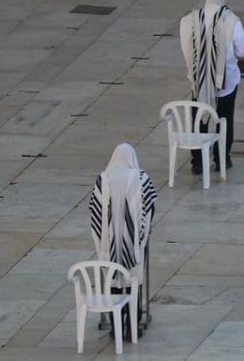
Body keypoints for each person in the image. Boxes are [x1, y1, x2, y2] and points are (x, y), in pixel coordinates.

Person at [89, 143, 157, 340]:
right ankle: (133, 327)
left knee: (113, 282)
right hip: (134, 241)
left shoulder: (103, 179)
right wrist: (147, 227)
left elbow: (94, 211)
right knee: (133, 281)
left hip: (108, 243)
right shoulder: (141, 178)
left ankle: (116, 327)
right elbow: (150, 205)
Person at [179, 0, 244, 173]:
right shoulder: (232, 19)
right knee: (225, 118)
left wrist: (196, 70)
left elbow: (186, 49)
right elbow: (242, 50)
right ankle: (222, 159)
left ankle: (198, 162)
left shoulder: (189, 19)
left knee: (199, 118)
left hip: (199, 79)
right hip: (225, 80)